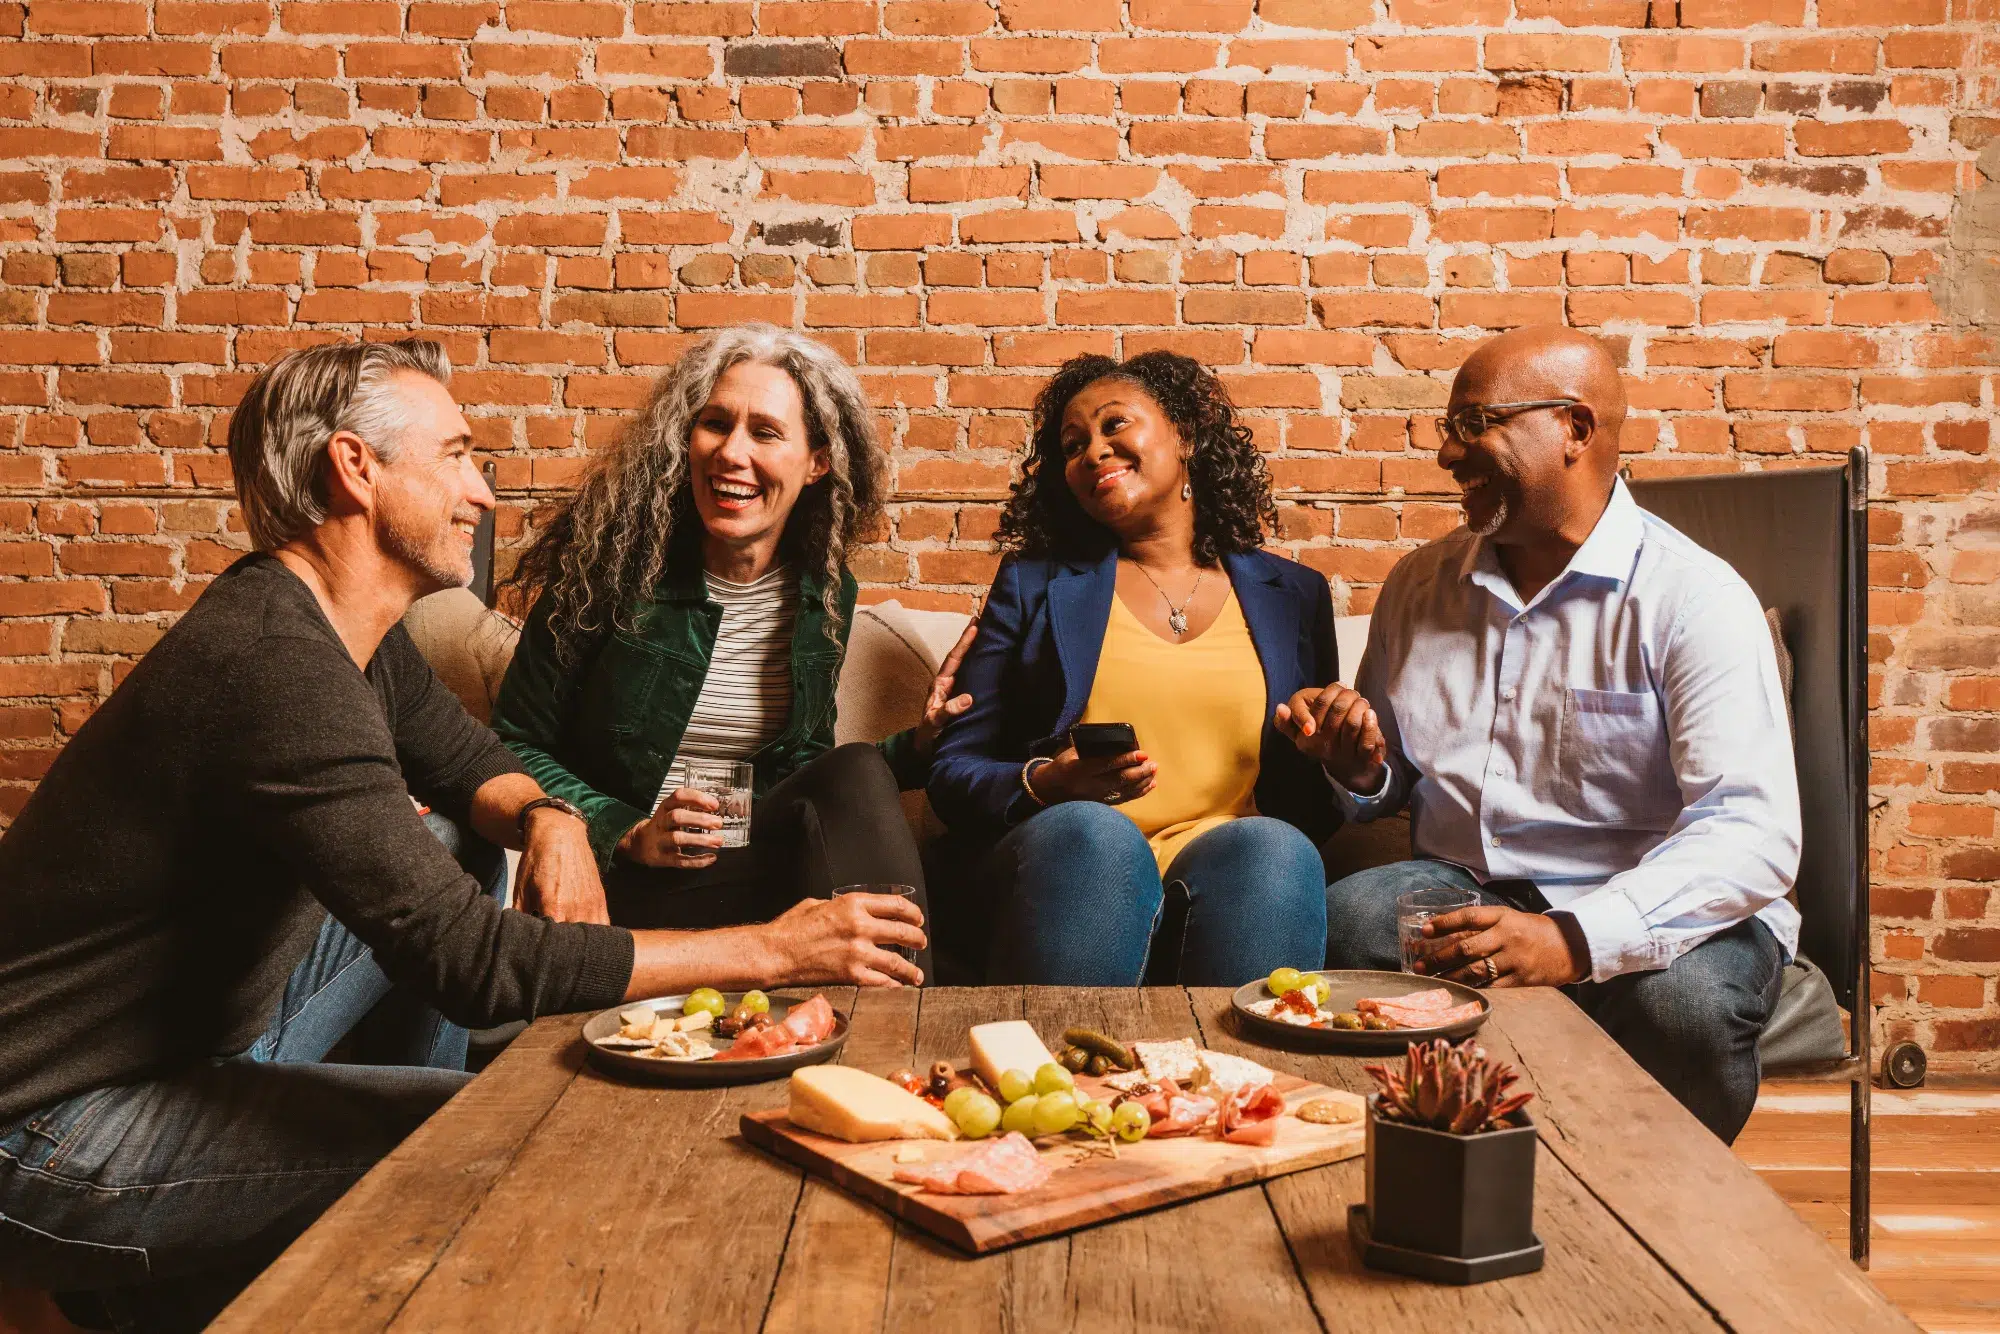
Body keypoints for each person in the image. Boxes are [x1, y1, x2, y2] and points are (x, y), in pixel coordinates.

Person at [0, 340, 924, 1332]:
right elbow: (472, 962)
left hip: (178, 1049)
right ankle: (144, 1274)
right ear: (356, 469)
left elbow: (473, 763)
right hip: (47, 1127)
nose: (480, 492)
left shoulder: (340, 631)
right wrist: (780, 946)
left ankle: (172, 1276)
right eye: (455, 454)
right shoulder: (277, 666)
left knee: (457, 832)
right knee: (490, 1137)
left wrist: (551, 815)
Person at [1294, 326, 1800, 1143]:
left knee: (1682, 1008)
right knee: (1336, 925)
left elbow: (1753, 832)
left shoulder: (1693, 599)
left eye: (1474, 423)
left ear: (1574, 427)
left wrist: (1571, 939)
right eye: (1448, 429)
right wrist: (1361, 772)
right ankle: (1435, 1159)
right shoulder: (1421, 585)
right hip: (1472, 887)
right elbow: (1385, 786)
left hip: (1661, 904)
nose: (1449, 455)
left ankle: (1652, 1212)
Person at [491, 324, 972, 980]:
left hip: (747, 877)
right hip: (623, 886)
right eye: (715, 424)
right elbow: (513, 744)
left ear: (817, 462)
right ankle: (900, 1038)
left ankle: (890, 1038)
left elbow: (802, 769)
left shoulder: (821, 594)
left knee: (855, 768)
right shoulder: (605, 573)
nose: (730, 453)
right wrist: (629, 830)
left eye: (765, 432)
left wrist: (920, 746)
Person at [929, 351, 1336, 985]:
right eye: (1072, 445)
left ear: (1188, 435)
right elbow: (953, 772)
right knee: (1097, 837)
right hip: (1068, 856)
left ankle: (1243, 1084)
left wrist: (1343, 760)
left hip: (1222, 868)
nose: (1093, 451)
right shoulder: (1032, 585)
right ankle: (1063, 1077)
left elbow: (1310, 801)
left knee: (1277, 848)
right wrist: (1049, 782)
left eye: (1115, 425)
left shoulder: (1295, 594)